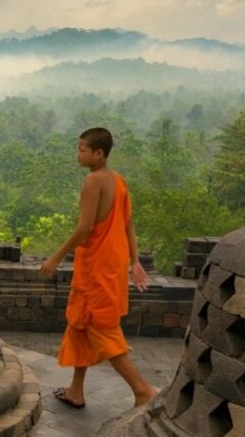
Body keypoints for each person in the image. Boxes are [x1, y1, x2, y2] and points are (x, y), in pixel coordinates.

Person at [40, 127, 158, 409]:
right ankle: (75, 391)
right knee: (80, 324)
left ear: (99, 153)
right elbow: (128, 224)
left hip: (98, 267)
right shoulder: (118, 181)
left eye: (82, 149)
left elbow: (85, 228)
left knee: (102, 329)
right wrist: (135, 261)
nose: (78, 154)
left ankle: (142, 390)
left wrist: (56, 257)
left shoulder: (94, 181)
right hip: (111, 263)